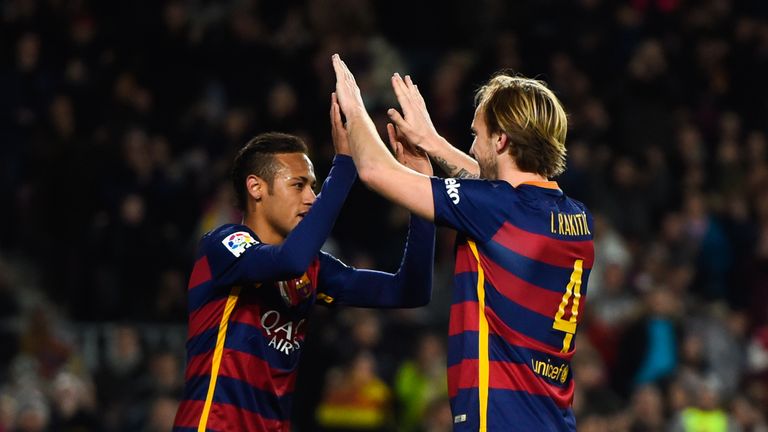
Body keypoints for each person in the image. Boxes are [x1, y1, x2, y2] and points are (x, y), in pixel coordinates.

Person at [332, 54, 594, 431]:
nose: (471, 148)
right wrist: (434, 144)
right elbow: (499, 192)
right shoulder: (576, 218)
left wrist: (355, 109)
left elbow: (375, 170)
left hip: (497, 419)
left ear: (502, 139)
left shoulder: (495, 209)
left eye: (477, 135)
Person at [172, 94, 436, 432]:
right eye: (299, 185)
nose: (312, 197)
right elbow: (290, 260)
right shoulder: (222, 246)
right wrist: (344, 164)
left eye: (313, 185)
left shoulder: (313, 270)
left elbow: (410, 291)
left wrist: (422, 195)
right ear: (256, 188)